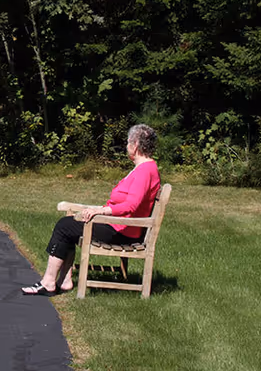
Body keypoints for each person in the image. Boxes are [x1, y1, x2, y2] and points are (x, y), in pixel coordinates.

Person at [21, 123, 161, 296]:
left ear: (135, 145)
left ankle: (48, 282)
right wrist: (96, 209)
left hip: (123, 231)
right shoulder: (142, 168)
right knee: (69, 224)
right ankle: (64, 281)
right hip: (119, 225)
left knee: (64, 226)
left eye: (127, 142)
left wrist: (100, 212)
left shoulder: (145, 171)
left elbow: (130, 206)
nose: (126, 146)